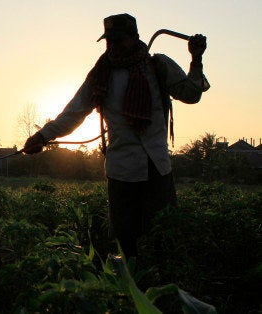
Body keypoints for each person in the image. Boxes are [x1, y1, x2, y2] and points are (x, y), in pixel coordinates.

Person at [23, 13, 209, 257]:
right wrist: (42, 137)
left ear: (134, 38)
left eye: (119, 40)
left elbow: (191, 94)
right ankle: (129, 289)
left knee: (163, 237)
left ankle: (162, 287)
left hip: (157, 169)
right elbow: (74, 112)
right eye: (109, 41)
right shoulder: (101, 75)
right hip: (122, 172)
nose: (113, 47)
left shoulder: (158, 66)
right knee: (125, 243)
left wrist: (196, 60)